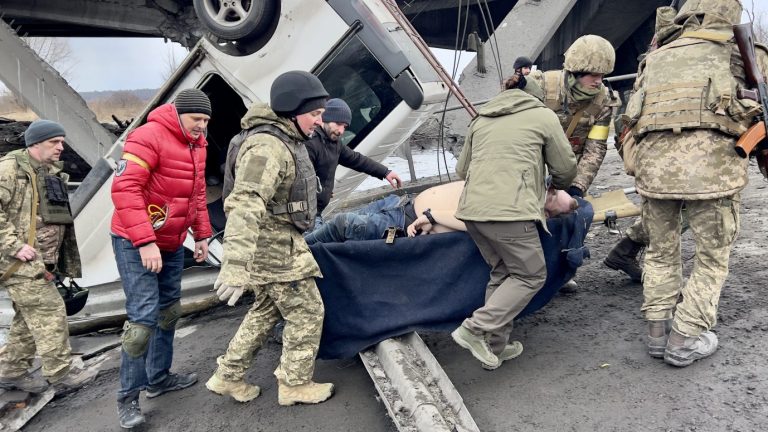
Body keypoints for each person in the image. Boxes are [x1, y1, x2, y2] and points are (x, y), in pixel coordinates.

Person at [627, 0, 766, 366]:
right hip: (712, 174)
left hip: (655, 171)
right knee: (711, 258)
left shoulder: (657, 53)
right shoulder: (742, 49)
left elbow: (632, 115)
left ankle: (658, 334)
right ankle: (685, 338)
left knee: (659, 251)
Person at [205, 70, 335, 407]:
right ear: (293, 109)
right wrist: (234, 266)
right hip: (276, 251)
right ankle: (294, 384)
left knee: (265, 311)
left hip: (274, 246)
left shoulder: (282, 137)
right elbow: (245, 203)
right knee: (307, 312)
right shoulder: (267, 146)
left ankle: (228, 374)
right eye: (315, 114)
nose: (319, 122)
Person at [449, 72, 577, 370]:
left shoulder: (481, 119)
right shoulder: (543, 116)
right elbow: (566, 166)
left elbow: (462, 170)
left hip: (472, 212)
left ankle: (494, 348)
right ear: (536, 95)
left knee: (503, 273)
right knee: (531, 275)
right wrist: (553, 186)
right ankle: (474, 329)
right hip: (510, 213)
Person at [110, 88, 213, 429]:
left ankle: (158, 378)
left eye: (206, 121)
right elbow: (125, 189)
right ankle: (128, 399)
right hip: (133, 240)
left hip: (170, 240)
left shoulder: (197, 144)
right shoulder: (147, 136)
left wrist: (202, 235)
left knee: (169, 311)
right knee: (142, 321)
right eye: (197, 119)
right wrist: (144, 241)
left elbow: (196, 193)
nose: (202, 126)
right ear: (178, 113)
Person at [0, 120, 97, 395]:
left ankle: (11, 371)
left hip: (37, 261)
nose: (61, 147)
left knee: (28, 318)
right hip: (18, 263)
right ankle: (61, 375)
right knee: (51, 312)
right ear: (34, 144)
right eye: (54, 142)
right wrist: (14, 246)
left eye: (62, 141)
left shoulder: (44, 171)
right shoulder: (8, 171)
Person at [529, 34, 621, 292]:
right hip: (532, 165)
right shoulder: (541, 87)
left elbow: (596, 147)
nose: (598, 81)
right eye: (593, 74)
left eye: (602, 76)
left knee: (573, 215)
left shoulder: (603, 101)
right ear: (575, 71)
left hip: (570, 169)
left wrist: (577, 187)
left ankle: (562, 272)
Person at [604, 5, 682, 283]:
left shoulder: (656, 62)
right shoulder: (659, 64)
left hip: (655, 146)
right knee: (673, 209)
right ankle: (650, 267)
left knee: (669, 207)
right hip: (653, 146)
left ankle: (625, 251)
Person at [304, 181, 578, 244]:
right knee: (322, 227)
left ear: (547, 213)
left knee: (342, 225)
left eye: (552, 197)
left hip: (403, 223)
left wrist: (432, 219)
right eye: (551, 189)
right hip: (400, 203)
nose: (549, 192)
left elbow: (472, 222)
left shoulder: (514, 213)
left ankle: (287, 260)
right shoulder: (517, 182)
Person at [304, 98, 402, 225]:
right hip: (306, 216)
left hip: (317, 212)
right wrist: (321, 192)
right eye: (338, 124)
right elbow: (301, 180)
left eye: (344, 126)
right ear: (325, 119)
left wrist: (385, 172)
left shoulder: (335, 143)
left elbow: (357, 160)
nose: (341, 131)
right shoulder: (311, 143)